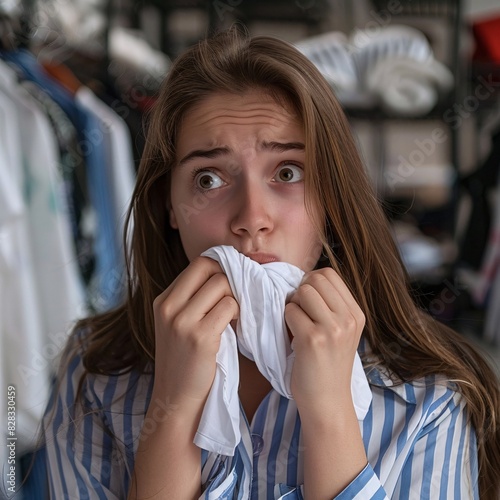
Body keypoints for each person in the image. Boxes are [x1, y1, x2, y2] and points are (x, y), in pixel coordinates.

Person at [43, 26, 500, 499]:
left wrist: (329, 414)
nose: (252, 219)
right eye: (208, 179)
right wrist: (174, 409)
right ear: (170, 208)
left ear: (330, 200)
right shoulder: (94, 374)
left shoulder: (429, 399)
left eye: (287, 172)